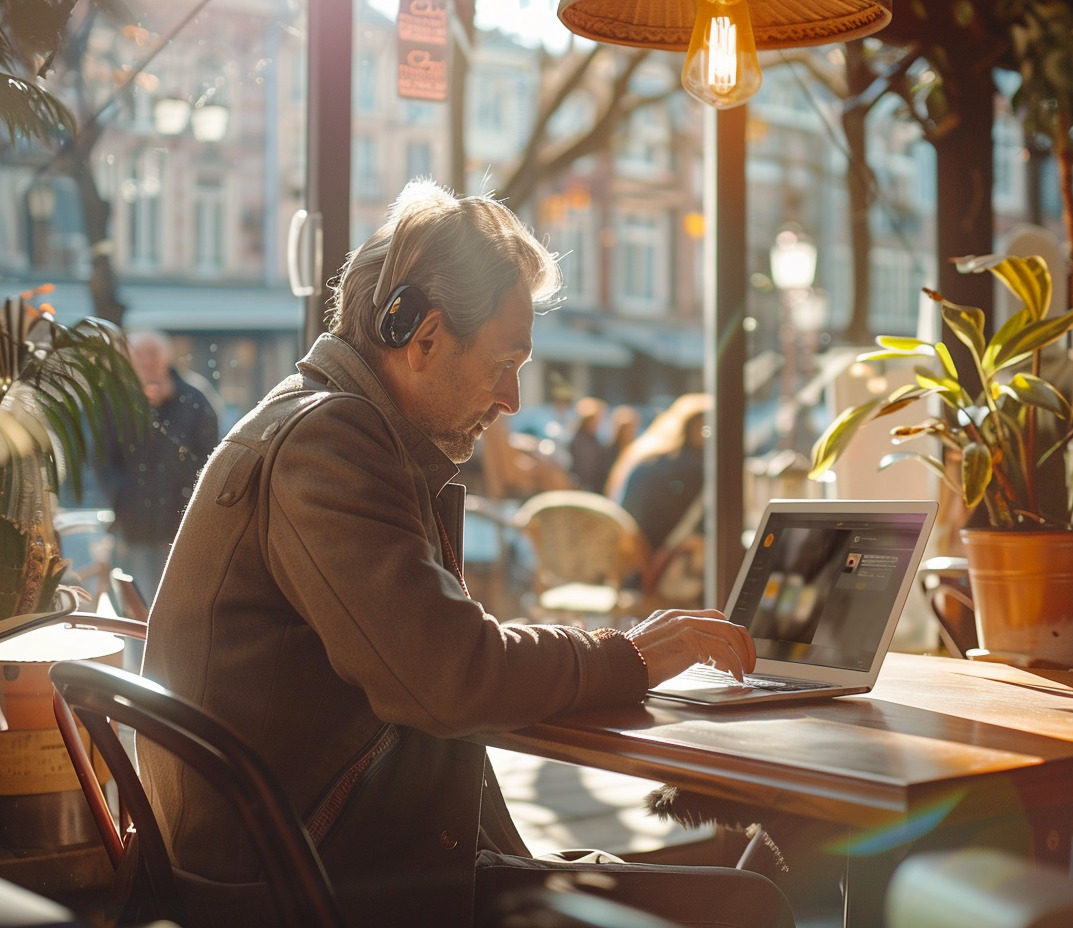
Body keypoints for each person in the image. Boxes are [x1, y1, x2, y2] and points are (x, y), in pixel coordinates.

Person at [139, 180, 794, 928]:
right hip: (322, 892)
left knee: (716, 891)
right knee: (745, 905)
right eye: (504, 361)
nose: (513, 398)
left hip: (325, 862)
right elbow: (450, 675)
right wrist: (631, 655)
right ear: (423, 339)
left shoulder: (319, 424)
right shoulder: (329, 445)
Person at [100, 329, 220, 611]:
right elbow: (103, 460)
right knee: (132, 610)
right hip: (133, 529)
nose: (146, 361)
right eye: (139, 355)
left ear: (167, 358)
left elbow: (211, 456)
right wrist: (122, 502)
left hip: (181, 528)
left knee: (178, 609)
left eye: (153, 354)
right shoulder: (116, 401)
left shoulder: (195, 398)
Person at [610, 394, 709, 552]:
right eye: (706, 428)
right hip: (659, 561)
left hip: (631, 554)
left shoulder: (645, 455)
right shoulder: (692, 467)